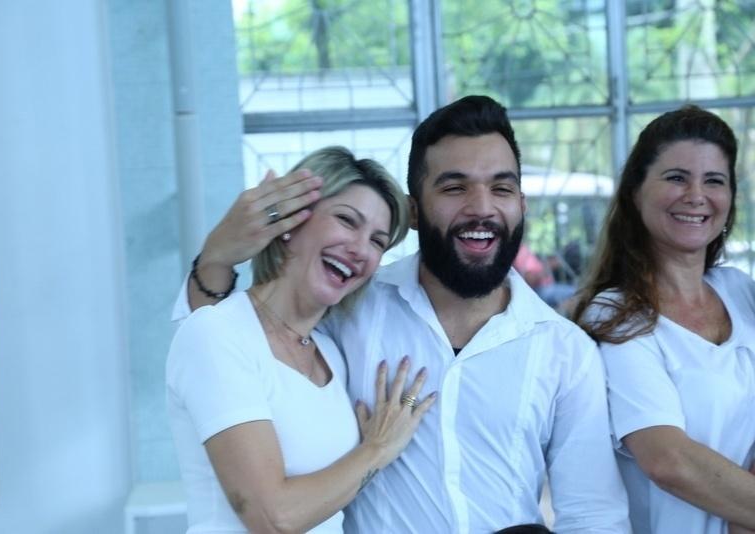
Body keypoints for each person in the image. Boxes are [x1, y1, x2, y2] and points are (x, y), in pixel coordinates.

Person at [176, 95, 631, 532]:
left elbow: (593, 516)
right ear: (415, 211)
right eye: (454, 187)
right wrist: (216, 258)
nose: (481, 206)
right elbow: (236, 343)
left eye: (502, 188)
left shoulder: (563, 350)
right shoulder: (348, 308)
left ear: (521, 205)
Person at [167, 146, 436, 533]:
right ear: (291, 222)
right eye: (347, 220)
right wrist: (378, 449)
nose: (361, 249)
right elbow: (272, 518)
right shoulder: (215, 333)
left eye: (378, 241)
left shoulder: (329, 353)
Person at [572, 105, 755, 534]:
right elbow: (667, 459)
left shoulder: (740, 291)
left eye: (714, 180)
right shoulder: (616, 314)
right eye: (676, 178)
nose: (696, 195)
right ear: (635, 192)